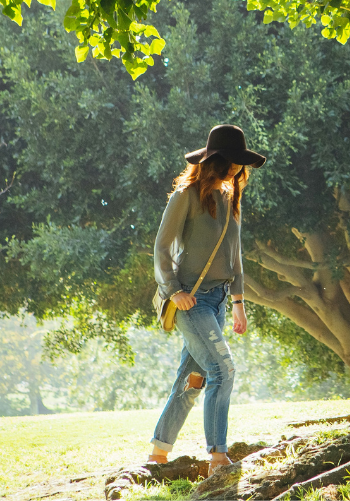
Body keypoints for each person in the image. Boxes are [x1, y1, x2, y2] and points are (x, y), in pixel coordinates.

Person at [147, 124, 266, 471]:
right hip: (190, 300)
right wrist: (174, 291)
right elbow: (161, 247)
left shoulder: (231, 198)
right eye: (232, 161)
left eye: (240, 164)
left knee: (192, 380)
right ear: (215, 160)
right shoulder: (185, 195)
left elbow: (236, 255)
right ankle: (217, 456)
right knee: (223, 370)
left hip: (217, 302)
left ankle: (158, 452)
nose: (236, 169)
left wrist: (239, 303)